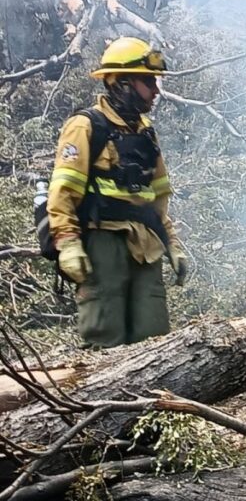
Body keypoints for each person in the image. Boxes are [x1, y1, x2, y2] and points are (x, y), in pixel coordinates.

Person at [47, 36, 187, 348]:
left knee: (153, 341)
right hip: (102, 244)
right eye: (148, 82)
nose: (155, 91)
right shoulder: (85, 127)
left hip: (146, 247)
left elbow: (159, 200)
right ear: (121, 82)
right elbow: (63, 193)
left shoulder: (146, 133)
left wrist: (172, 245)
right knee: (105, 337)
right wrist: (69, 244)